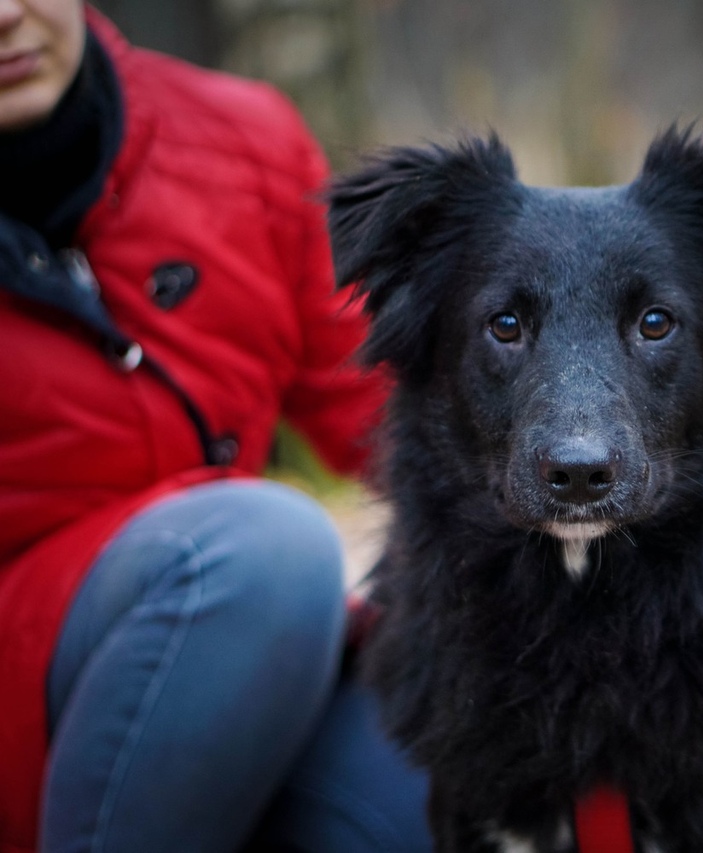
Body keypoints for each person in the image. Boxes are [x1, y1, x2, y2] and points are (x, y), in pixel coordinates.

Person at [0, 2, 432, 850]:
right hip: (45, 669)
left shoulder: (240, 141)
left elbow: (396, 416)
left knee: (425, 777)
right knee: (261, 553)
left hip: (242, 653)